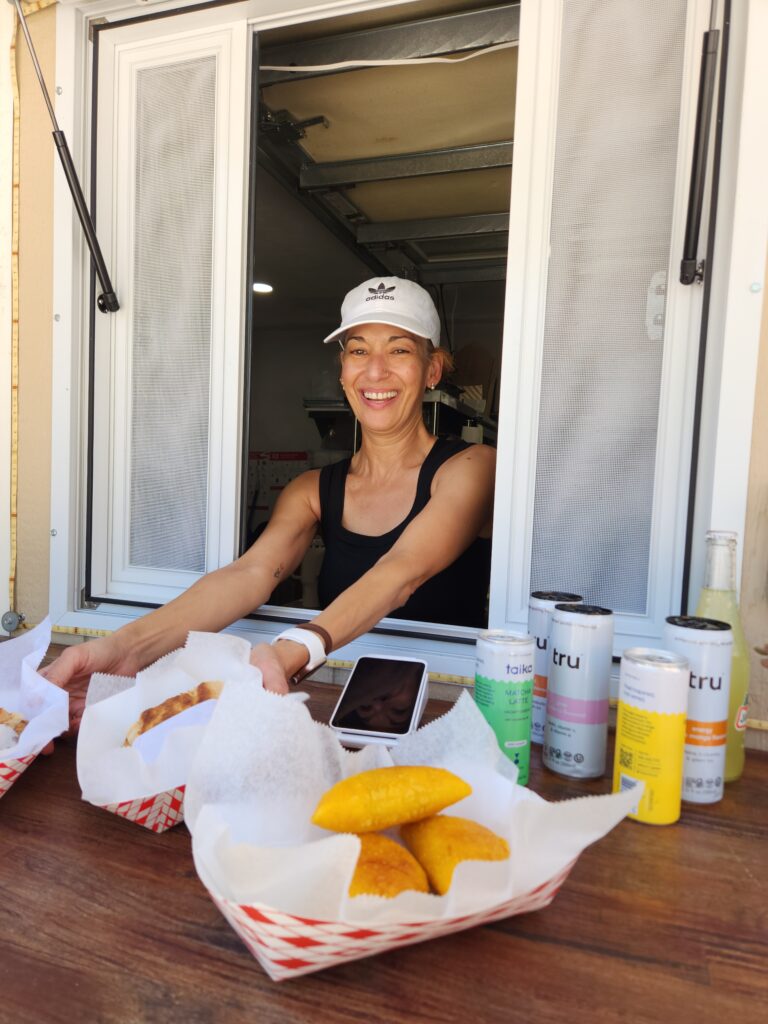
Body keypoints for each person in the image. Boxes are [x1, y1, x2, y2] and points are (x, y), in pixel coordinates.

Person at [43, 276, 495, 726]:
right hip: (338, 704)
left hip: (450, 708)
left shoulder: (472, 467)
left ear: (433, 369)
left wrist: (295, 648)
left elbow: (402, 571)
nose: (375, 371)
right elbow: (250, 573)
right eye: (359, 350)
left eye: (398, 350)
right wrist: (121, 649)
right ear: (343, 370)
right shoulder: (313, 489)